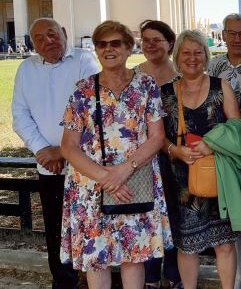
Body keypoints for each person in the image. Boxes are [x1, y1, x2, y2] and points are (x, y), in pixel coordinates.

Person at [59, 20, 172, 288]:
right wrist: (106, 177)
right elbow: (68, 145)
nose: (108, 49)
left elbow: (156, 137)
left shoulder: (146, 85)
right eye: (102, 44)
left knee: (134, 255)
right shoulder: (82, 90)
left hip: (135, 181)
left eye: (115, 43)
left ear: (129, 47)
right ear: (95, 50)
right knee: (96, 257)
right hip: (90, 186)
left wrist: (123, 170)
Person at [11, 18, 98, 289]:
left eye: (52, 34)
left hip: (84, 164)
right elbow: (20, 115)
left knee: (91, 226)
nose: (47, 41)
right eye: (39, 38)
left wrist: (64, 151)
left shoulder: (84, 61)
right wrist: (42, 150)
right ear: (32, 44)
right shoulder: (26, 69)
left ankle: (97, 280)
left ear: (64, 32)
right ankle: (64, 283)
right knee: (56, 231)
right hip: (50, 166)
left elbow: (94, 110)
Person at [160, 30, 241, 289]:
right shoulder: (164, 93)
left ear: (206, 56)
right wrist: (173, 151)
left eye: (198, 52)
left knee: (225, 244)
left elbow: (238, 128)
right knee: (187, 246)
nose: (192, 58)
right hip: (181, 182)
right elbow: (156, 135)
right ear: (176, 57)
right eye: (186, 52)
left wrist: (212, 144)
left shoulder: (221, 86)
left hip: (218, 176)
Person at [208, 14, 241, 289]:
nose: (237, 38)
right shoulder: (213, 65)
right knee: (230, 223)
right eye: (231, 33)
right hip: (224, 150)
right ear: (223, 35)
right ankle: (233, 282)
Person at [137, 20, 183, 289]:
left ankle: (175, 275)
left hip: (177, 156)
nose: (150, 45)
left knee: (176, 216)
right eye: (145, 40)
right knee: (148, 217)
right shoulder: (133, 77)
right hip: (144, 159)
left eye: (156, 39)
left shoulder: (183, 75)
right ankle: (150, 276)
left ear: (170, 43)